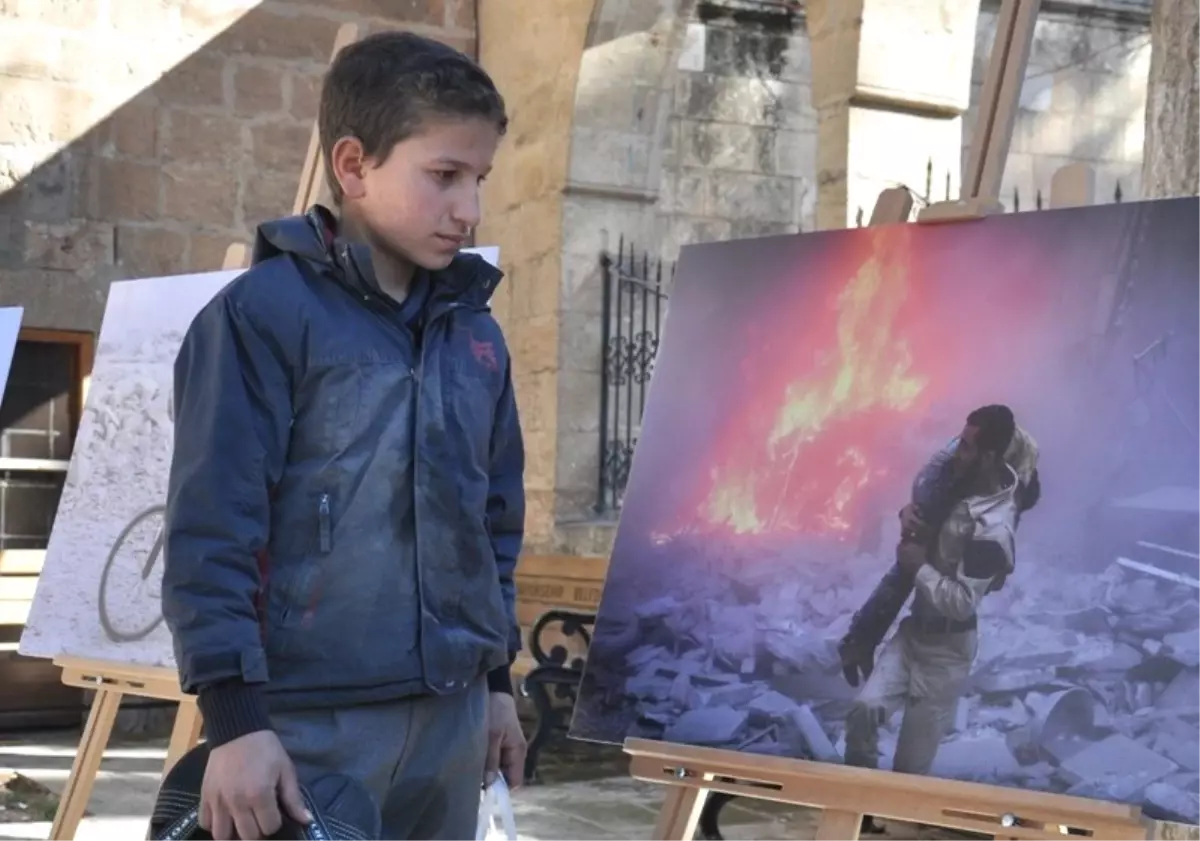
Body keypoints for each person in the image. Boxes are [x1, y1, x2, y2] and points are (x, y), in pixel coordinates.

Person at [161, 31, 526, 841]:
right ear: (354, 165)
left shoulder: (478, 339)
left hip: (453, 718)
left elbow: (492, 526)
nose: (468, 208)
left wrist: (497, 682)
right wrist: (235, 720)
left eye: (480, 179)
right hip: (306, 725)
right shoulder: (260, 319)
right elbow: (211, 530)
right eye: (443, 175)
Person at [842, 404, 1034, 775]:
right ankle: (856, 795)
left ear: (989, 456)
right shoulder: (959, 476)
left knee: (910, 766)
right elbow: (928, 507)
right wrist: (909, 512)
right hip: (912, 634)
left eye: (964, 445)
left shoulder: (994, 529)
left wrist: (920, 568)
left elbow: (961, 603)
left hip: (947, 656)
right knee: (864, 711)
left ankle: (890, 823)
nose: (953, 450)